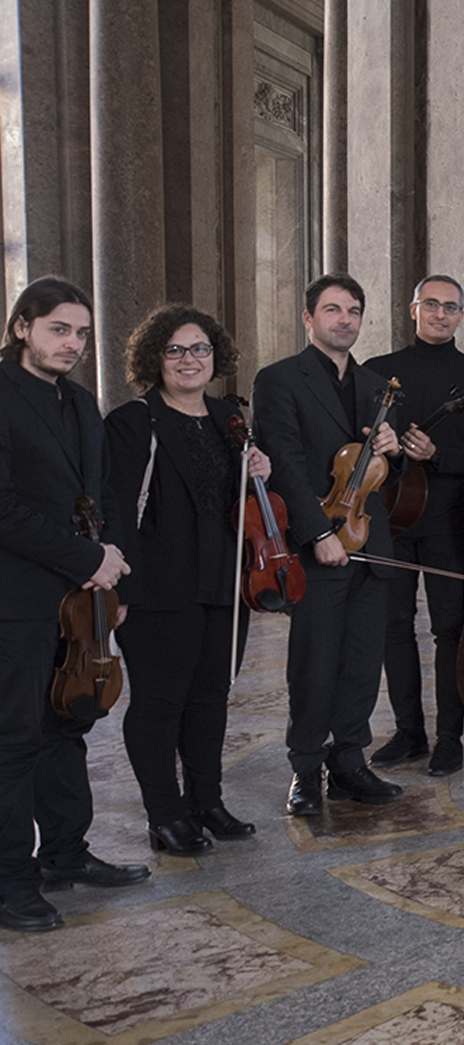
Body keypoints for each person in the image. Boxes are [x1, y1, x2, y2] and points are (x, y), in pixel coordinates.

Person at [0, 278, 143, 933]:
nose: (73, 343)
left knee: (69, 722)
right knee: (15, 737)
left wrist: (106, 567)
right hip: (18, 598)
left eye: (82, 332)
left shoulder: (83, 402)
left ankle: (65, 852)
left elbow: (100, 493)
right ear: (22, 326)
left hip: (79, 594)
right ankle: (11, 880)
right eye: (60, 328)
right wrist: (86, 560)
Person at [105, 305, 270, 855]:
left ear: (215, 356)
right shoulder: (133, 422)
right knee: (159, 702)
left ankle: (207, 801)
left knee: (211, 699)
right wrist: (122, 591)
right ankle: (165, 814)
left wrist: (258, 473)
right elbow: (117, 513)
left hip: (223, 584)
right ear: (155, 358)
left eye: (199, 348)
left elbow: (237, 508)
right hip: (157, 587)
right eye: (175, 349)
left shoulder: (229, 420)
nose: (189, 359)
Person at [251, 274, 404, 815]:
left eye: (354, 311)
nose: (345, 320)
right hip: (315, 545)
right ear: (308, 318)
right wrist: (318, 533)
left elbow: (383, 474)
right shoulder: (278, 380)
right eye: (333, 310)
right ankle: (305, 770)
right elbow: (285, 462)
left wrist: (392, 446)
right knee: (315, 662)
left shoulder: (375, 386)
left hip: (368, 540)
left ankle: (349, 763)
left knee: (362, 661)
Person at [366, 275, 464, 778]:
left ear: (462, 316)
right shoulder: (379, 372)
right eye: (431, 304)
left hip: (445, 522)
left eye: (451, 307)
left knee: (448, 630)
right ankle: (408, 731)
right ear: (413, 308)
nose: (441, 314)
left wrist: (437, 454)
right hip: (389, 520)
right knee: (393, 626)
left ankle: (449, 737)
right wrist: (388, 445)